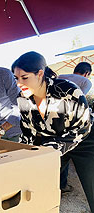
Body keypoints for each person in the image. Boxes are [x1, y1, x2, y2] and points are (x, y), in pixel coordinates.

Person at [12, 51, 94, 212]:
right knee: (39, 183)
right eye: (16, 78)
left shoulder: (67, 90)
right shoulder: (23, 98)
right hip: (51, 143)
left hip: (85, 141)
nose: (19, 83)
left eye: (24, 77)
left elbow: (83, 127)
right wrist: (20, 156)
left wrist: (51, 148)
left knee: (92, 186)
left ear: (40, 74)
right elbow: (28, 132)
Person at [58, 61, 92, 193]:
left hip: (55, 122)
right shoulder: (85, 82)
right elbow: (78, 101)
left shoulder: (60, 76)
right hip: (71, 123)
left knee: (61, 155)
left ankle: (56, 186)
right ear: (87, 73)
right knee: (71, 150)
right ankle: (63, 185)